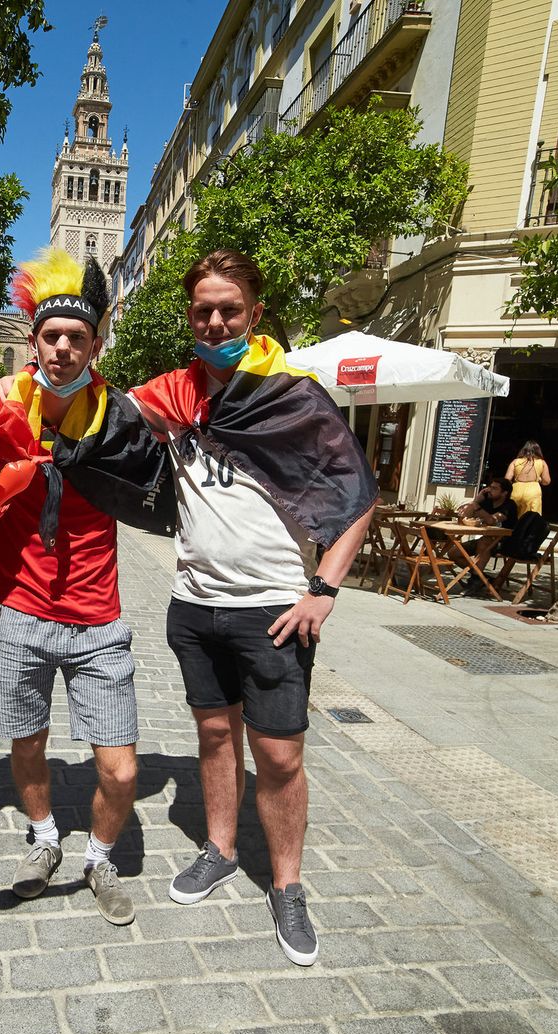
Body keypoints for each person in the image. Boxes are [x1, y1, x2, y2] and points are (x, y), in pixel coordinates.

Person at [126, 250, 376, 968]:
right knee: (214, 737)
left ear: (254, 314)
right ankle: (220, 848)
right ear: (190, 316)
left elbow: (359, 495)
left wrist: (323, 589)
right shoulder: (175, 395)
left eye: (229, 309)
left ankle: (288, 885)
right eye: (203, 310)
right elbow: (90, 407)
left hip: (273, 610)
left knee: (279, 756)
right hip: (194, 605)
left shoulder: (294, 396)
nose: (215, 321)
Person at [0, 248, 139, 926]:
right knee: (28, 743)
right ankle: (45, 838)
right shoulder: (2, 406)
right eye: (52, 336)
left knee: (121, 769)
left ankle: (99, 857)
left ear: (95, 344)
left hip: (98, 617)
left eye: (77, 336)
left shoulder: (121, 415)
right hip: (23, 610)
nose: (63, 347)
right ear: (34, 340)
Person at [504, 441, 550, 518]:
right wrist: (539, 479)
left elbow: (507, 480)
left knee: (513, 517)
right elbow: (546, 481)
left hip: (516, 490)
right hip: (533, 492)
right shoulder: (542, 462)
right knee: (531, 518)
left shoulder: (515, 461)